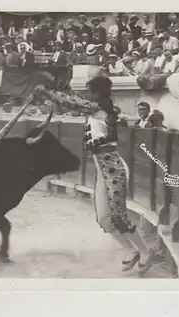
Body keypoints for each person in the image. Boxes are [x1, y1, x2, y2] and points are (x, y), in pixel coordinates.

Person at [33, 76, 155, 277]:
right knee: (105, 219)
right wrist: (49, 97)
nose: (86, 95)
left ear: (97, 93)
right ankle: (130, 250)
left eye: (89, 91)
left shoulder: (100, 110)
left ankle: (145, 251)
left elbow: (73, 102)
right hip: (103, 168)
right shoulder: (96, 111)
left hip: (113, 168)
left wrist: (47, 92)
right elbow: (69, 105)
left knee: (119, 216)